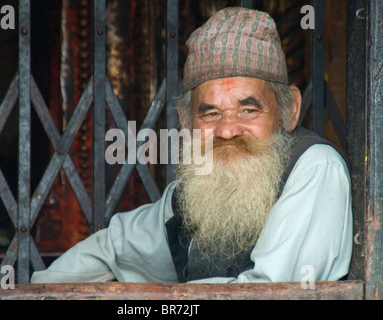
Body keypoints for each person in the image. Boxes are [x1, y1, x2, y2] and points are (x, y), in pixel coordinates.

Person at [30, 7, 352, 284]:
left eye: (249, 109)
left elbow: (267, 293)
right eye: (210, 113)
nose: (227, 130)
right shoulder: (192, 200)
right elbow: (111, 249)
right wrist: (40, 292)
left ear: (289, 110)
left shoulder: (315, 169)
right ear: (187, 123)